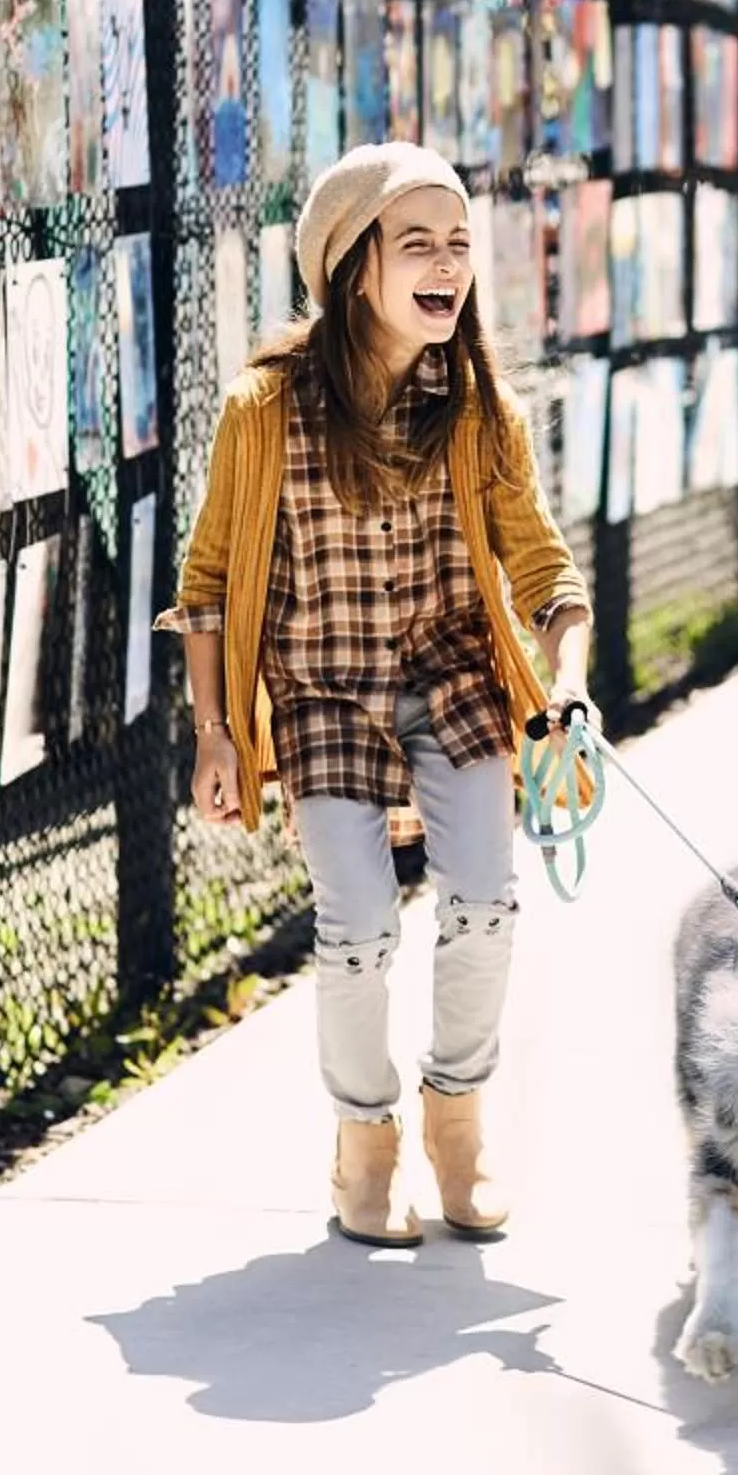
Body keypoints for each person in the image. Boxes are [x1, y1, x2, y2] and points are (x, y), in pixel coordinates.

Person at [162, 142, 594, 1249]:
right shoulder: (264, 412)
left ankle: (458, 1120)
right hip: (321, 697)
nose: (449, 263)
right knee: (356, 928)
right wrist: (214, 731)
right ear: (356, 267)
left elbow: (544, 570)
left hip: (453, 682)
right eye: (420, 244)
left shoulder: (481, 410)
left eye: (459, 243)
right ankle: (367, 1145)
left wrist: (567, 689)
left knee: (485, 905)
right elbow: (206, 583)